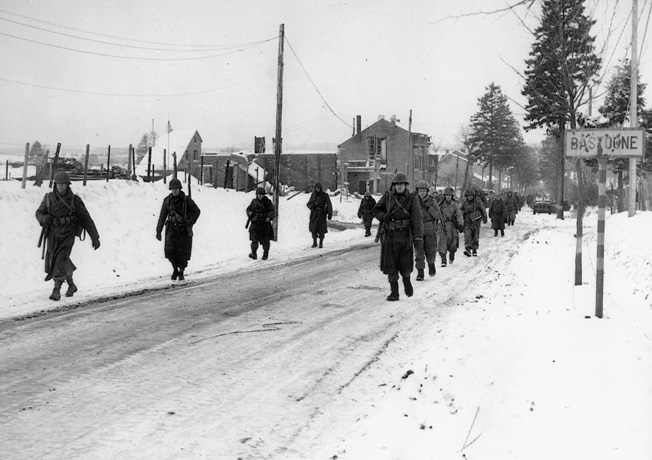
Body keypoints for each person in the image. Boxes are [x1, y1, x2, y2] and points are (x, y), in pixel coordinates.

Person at [35, 170, 100, 301]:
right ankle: (71, 285)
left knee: (60, 260)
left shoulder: (75, 200)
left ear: (68, 185)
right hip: (52, 236)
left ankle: (56, 290)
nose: (60, 187)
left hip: (67, 236)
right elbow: (39, 212)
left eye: (63, 184)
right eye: (58, 184)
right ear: (55, 185)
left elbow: (86, 218)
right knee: (57, 260)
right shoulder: (48, 198)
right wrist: (43, 219)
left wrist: (95, 237)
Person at [372, 172, 423, 301]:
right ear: (393, 185)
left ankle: (406, 281)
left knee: (405, 264)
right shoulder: (388, 197)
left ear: (406, 185)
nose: (399, 187)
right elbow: (375, 210)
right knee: (391, 265)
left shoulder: (412, 198)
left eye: (401, 184)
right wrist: (384, 216)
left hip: (405, 235)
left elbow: (417, 219)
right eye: (396, 184)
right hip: (390, 236)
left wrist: (418, 238)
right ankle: (394, 292)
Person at [156, 178, 201, 280]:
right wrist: (158, 231)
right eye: (172, 189)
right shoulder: (167, 201)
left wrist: (190, 222)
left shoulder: (186, 200)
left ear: (180, 189)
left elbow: (196, 211)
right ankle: (175, 269)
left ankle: (181, 271)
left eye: (176, 188)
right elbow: (162, 216)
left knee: (183, 252)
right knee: (170, 251)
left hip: (183, 230)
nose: (174, 190)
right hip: (171, 229)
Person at [414, 180, 441, 280]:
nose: (422, 193)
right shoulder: (414, 201)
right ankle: (420, 272)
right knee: (418, 252)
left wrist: (429, 207)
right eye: (420, 191)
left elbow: (438, 215)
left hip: (430, 229)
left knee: (430, 250)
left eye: (423, 191)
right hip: (418, 230)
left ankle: (431, 264)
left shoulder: (432, 201)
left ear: (427, 191)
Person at [246, 187, 275, 260]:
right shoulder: (254, 202)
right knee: (254, 239)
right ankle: (254, 254)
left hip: (264, 224)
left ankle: (265, 254)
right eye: (258, 194)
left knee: (265, 241)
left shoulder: (267, 202)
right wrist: (250, 213)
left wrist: (268, 217)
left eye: (261, 194)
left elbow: (272, 211)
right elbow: (248, 209)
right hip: (256, 223)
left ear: (264, 195)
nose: (260, 196)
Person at [437, 187, 463, 267]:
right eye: (446, 195)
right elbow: (436, 214)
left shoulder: (455, 205)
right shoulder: (440, 205)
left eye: (449, 195)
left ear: (452, 196)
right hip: (443, 225)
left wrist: (460, 224)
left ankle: (452, 255)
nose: (448, 197)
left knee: (453, 243)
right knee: (442, 243)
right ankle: (443, 260)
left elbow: (459, 215)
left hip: (452, 226)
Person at [460, 189, 488, 257]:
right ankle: (468, 249)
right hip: (467, 222)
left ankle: (474, 249)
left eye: (471, 196)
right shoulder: (464, 203)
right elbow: (460, 210)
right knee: (467, 236)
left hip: (475, 221)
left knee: (475, 236)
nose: (470, 197)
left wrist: (485, 217)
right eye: (468, 196)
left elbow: (482, 209)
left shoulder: (477, 202)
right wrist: (464, 212)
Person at [307, 182, 332, 248]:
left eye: (319, 188)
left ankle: (321, 242)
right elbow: (308, 204)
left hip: (321, 214)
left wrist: (329, 213)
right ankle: (314, 242)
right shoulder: (313, 195)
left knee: (321, 230)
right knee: (313, 229)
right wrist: (313, 205)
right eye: (316, 188)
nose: (318, 189)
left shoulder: (324, 195)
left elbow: (329, 204)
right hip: (314, 214)